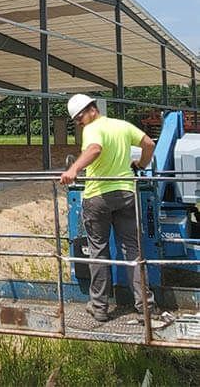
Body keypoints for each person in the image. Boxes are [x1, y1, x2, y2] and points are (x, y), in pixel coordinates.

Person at [60, 94, 155, 322]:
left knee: (98, 250)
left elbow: (94, 149)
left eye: (79, 118)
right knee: (132, 249)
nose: (79, 123)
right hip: (125, 194)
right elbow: (149, 144)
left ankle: (100, 307)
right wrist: (141, 164)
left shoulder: (93, 128)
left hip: (98, 196)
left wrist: (73, 170)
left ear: (90, 110)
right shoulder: (122, 126)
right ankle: (145, 306)